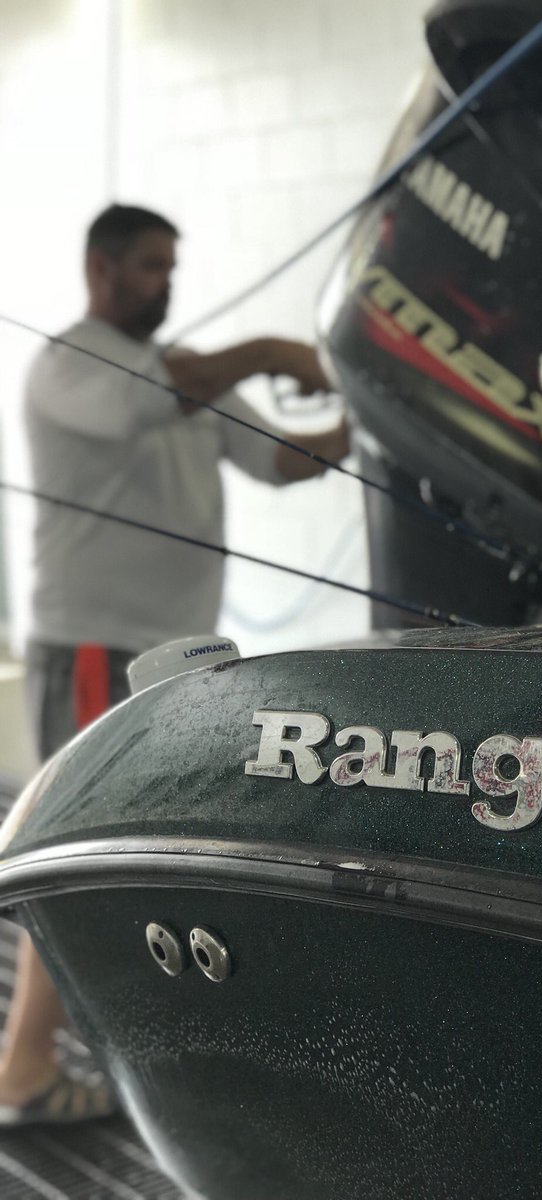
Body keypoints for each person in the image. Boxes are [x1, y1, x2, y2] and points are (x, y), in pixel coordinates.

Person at [0, 203, 350, 1124]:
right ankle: (24, 1072)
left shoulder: (183, 382)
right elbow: (160, 390)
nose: (168, 283)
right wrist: (275, 346)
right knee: (67, 848)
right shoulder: (71, 364)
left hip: (175, 656)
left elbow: (283, 461)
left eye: (172, 267)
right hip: (94, 644)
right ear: (101, 270)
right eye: (152, 266)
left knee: (128, 849)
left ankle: (99, 1049)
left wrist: (370, 409)